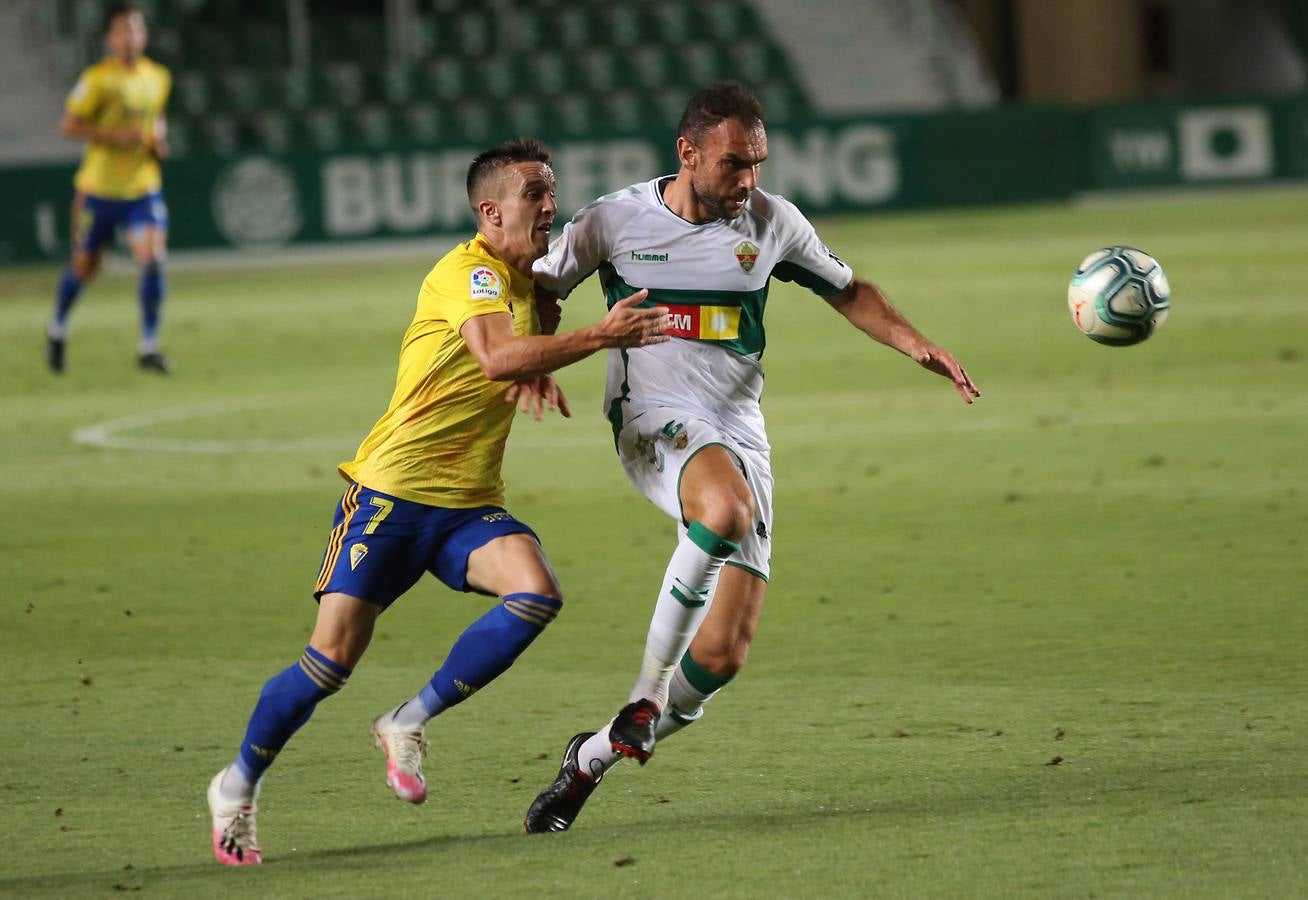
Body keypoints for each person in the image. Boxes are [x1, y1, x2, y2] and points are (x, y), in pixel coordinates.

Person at [523, 82, 980, 833]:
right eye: (735, 165)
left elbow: (848, 288)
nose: (749, 182)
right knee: (724, 512)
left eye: (758, 165)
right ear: (688, 152)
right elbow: (543, 287)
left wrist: (914, 342)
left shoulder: (771, 224)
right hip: (651, 413)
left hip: (737, 422)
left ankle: (594, 756)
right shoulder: (613, 220)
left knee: (725, 656)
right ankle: (644, 691)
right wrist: (542, 352)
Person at [206, 138, 668, 865]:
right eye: (533, 195)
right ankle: (236, 787)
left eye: (551, 191)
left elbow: (523, 339)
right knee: (328, 663)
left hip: (466, 506)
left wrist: (539, 362)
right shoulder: (468, 274)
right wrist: (597, 337)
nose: (550, 206)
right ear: (490, 211)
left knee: (535, 594)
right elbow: (493, 355)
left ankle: (408, 720)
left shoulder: (527, 283)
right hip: (390, 498)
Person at [46, 3, 172, 374]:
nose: (130, 38)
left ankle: (148, 346)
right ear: (110, 38)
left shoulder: (158, 76)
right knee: (85, 268)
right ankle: (57, 328)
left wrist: (156, 141)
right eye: (123, 31)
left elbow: (156, 119)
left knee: (153, 258)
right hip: (99, 189)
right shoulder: (97, 79)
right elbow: (68, 126)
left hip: (142, 188)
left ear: (144, 35)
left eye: (136, 30)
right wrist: (114, 136)